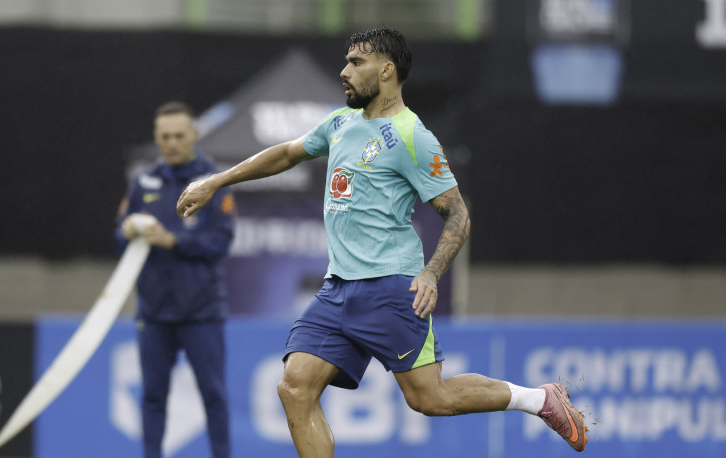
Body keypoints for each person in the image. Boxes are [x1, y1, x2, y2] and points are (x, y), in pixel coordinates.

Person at [176, 28, 588, 456]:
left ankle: (540, 400)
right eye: (346, 61)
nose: (344, 71)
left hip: (390, 288)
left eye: (356, 62)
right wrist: (218, 180)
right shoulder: (340, 123)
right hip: (338, 289)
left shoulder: (413, 136)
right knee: (295, 387)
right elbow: (284, 154)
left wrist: (431, 272)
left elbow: (458, 214)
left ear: (387, 70)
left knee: (430, 398)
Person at [116, 101, 235, 458]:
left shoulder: (214, 182)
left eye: (178, 135)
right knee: (152, 397)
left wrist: (174, 241)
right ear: (156, 138)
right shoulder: (143, 182)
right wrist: (127, 230)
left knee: (213, 396)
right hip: (154, 313)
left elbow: (221, 241)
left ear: (194, 135)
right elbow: (120, 238)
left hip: (202, 312)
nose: (171, 143)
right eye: (164, 136)